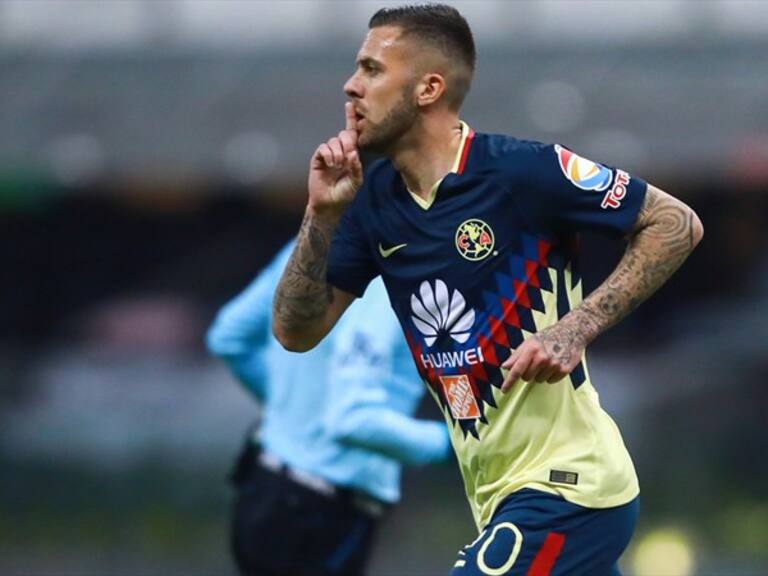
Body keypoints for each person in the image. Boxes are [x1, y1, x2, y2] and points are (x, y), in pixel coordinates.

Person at [271, 4, 704, 575]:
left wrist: (574, 327)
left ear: (428, 88)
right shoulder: (370, 202)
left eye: (372, 69)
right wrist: (321, 215)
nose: (351, 86)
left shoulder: (521, 172)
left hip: (566, 489)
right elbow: (296, 331)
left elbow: (675, 223)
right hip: (497, 496)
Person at [207, 239, 451, 576]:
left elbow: (228, 336)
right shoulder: (387, 276)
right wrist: (455, 443)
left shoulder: (308, 247)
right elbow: (354, 419)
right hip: (317, 516)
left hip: (264, 490)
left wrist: (293, 412)